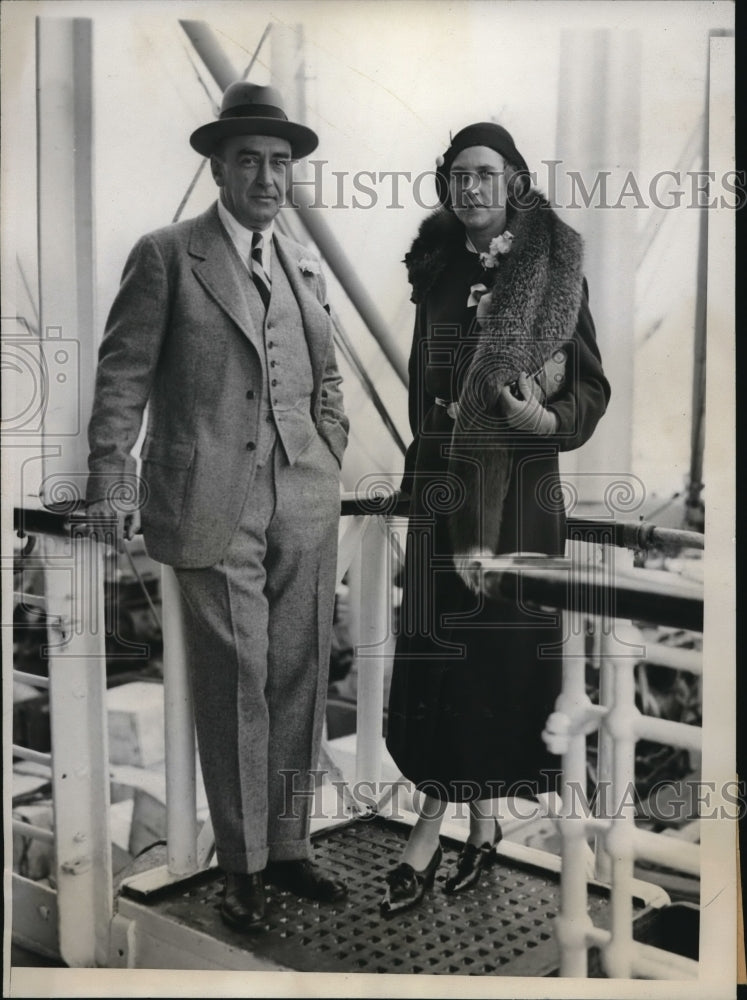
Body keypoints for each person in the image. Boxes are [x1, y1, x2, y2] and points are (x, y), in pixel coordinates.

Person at [86, 83, 349, 931]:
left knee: (300, 676)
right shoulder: (167, 253)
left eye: (280, 164)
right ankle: (239, 865)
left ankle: (291, 847)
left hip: (303, 498)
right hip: (208, 501)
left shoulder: (303, 264)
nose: (268, 178)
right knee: (234, 679)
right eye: (251, 162)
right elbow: (122, 374)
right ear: (218, 166)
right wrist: (113, 481)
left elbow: (328, 376)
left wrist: (328, 445)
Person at [381, 122, 610, 915]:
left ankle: (425, 833)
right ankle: (481, 832)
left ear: (513, 181)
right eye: (457, 176)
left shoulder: (550, 272)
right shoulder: (438, 270)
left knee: (482, 672)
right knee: (443, 669)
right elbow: (422, 392)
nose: (469, 188)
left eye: (485, 175)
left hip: (515, 507)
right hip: (443, 496)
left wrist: (542, 422)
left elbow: (589, 391)